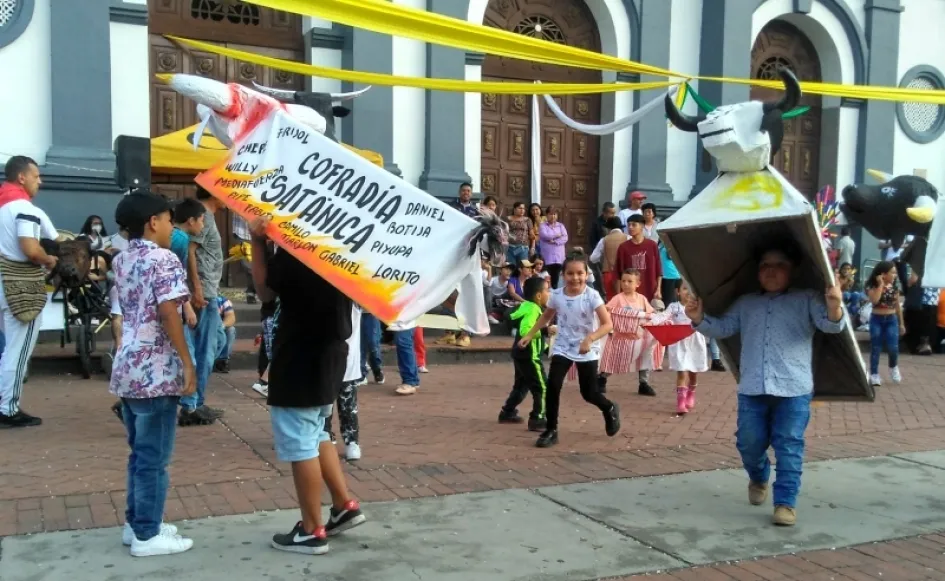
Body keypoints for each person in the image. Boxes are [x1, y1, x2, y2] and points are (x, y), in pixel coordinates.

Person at [686, 238, 845, 526]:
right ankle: (759, 476)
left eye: (779, 264)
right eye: (765, 265)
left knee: (789, 445)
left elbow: (830, 325)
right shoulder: (746, 303)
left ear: (793, 269)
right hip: (752, 388)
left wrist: (835, 307)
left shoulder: (807, 299)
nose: (771, 270)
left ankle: (785, 503)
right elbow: (723, 327)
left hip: (794, 389)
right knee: (748, 442)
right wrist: (699, 318)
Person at [247, 216, 366, 555]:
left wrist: (258, 242)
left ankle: (312, 529)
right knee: (317, 432)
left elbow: (265, 290)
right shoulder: (339, 245)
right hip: (331, 352)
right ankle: (342, 505)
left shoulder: (300, 248)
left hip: (302, 355)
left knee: (302, 440)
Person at [110, 191, 196, 556]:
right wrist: (187, 361)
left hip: (128, 364)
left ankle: (137, 523)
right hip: (156, 369)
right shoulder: (164, 258)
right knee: (154, 458)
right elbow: (168, 311)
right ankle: (147, 533)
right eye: (168, 220)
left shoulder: (121, 259)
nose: (171, 227)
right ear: (152, 222)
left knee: (139, 453)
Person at [517, 252, 619, 448]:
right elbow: (546, 316)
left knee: (589, 393)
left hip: (587, 348)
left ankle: (609, 408)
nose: (575, 278)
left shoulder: (592, 296)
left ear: (587, 274)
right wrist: (529, 334)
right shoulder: (557, 295)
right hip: (563, 346)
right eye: (570, 273)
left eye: (580, 273)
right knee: (553, 386)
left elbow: (607, 324)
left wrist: (589, 339)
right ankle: (551, 430)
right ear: (563, 275)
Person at [0, 156, 58, 428]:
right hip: (21, 286)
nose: (40, 182)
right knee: (18, 350)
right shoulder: (23, 209)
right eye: (36, 176)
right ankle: (8, 409)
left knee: (8, 348)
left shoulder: (2, 207)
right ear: (22, 177)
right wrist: (49, 259)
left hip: (3, 283)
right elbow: (30, 249)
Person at [179, 187, 226, 426]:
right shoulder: (203, 216)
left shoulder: (207, 217)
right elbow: (190, 252)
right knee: (205, 349)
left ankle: (194, 400)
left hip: (208, 290)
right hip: (203, 294)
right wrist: (197, 289)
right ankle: (191, 404)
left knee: (217, 342)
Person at [499, 276, 552, 432]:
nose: (549, 294)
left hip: (520, 354)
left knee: (521, 386)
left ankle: (507, 412)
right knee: (542, 387)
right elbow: (526, 331)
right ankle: (537, 418)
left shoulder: (527, 306)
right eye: (547, 290)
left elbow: (532, 334)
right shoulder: (534, 309)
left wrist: (547, 349)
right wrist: (545, 331)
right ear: (538, 295)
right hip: (530, 356)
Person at [597, 269, 657, 395]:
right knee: (614, 361)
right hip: (620, 339)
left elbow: (651, 314)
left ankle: (643, 384)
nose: (625, 284)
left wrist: (653, 319)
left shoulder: (642, 299)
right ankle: (602, 378)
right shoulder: (618, 298)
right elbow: (607, 311)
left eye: (630, 281)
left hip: (638, 338)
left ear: (637, 284)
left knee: (644, 357)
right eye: (623, 281)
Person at [325, 303, 364, 462]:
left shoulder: (355, 300)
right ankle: (325, 438)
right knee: (324, 407)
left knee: (348, 407)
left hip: (348, 363)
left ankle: (351, 441)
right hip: (325, 363)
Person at [665, 280, 708, 415]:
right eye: (684, 289)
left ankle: (691, 392)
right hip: (679, 343)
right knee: (681, 371)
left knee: (693, 373)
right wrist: (660, 321)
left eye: (691, 289)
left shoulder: (699, 307)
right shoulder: (674, 307)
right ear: (677, 292)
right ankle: (680, 403)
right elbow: (663, 317)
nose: (688, 292)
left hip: (695, 342)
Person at [865, 261, 904, 386]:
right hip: (877, 319)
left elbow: (897, 306)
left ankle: (893, 366)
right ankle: (874, 374)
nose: (895, 275)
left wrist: (901, 323)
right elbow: (875, 300)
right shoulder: (872, 286)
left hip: (891, 319)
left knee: (893, 347)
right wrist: (881, 284)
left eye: (895, 273)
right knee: (876, 347)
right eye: (892, 273)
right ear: (883, 274)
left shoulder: (894, 287)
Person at [589, 216, 627, 302]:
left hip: (609, 273)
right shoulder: (628, 238)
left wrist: (602, 260)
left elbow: (593, 258)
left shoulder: (604, 239)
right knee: (626, 298)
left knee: (612, 300)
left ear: (608, 228)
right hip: (626, 274)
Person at [538, 206, 569, 288]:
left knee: (557, 279)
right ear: (546, 215)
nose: (553, 216)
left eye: (555, 214)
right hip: (547, 257)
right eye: (551, 214)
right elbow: (545, 235)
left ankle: (556, 293)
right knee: (547, 278)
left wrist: (555, 241)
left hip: (559, 257)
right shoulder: (542, 225)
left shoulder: (561, 226)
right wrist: (557, 235)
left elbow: (565, 238)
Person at [213, 296, 236, 373]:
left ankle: (222, 360)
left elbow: (231, 317)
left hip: (218, 329)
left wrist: (221, 326)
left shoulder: (223, 300)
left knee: (231, 330)